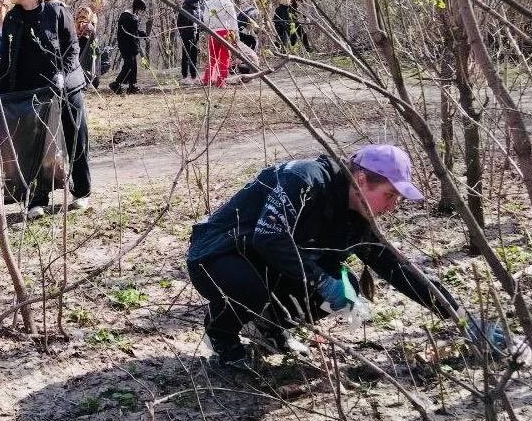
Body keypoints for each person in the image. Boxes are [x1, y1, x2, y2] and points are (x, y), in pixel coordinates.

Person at [187, 144, 515, 365]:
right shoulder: (305, 179)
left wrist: (462, 319)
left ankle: (268, 328)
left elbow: (399, 270)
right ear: (361, 180)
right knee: (255, 286)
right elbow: (269, 237)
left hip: (268, 262)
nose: (392, 206)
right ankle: (222, 335)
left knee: (346, 291)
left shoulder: (359, 218)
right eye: (388, 195)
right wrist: (320, 280)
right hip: (218, 254)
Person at [0, 0, 90, 219]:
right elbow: (6, 61)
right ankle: (37, 199)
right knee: (34, 147)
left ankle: (81, 191)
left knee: (75, 138)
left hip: (66, 88)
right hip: (31, 95)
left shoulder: (57, 11)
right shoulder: (13, 18)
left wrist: (63, 75)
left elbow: (72, 49)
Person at [201, 0, 239, 87]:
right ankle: (221, 81)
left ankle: (207, 79)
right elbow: (233, 20)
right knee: (224, 57)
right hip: (226, 32)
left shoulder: (209, 3)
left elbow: (205, 20)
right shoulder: (228, 3)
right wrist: (235, 33)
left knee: (212, 57)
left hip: (212, 32)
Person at [109, 0, 146, 95]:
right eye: (140, 9)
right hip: (126, 45)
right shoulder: (126, 16)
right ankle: (116, 84)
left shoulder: (133, 16)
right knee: (128, 65)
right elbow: (129, 32)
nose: (140, 12)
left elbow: (135, 31)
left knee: (133, 66)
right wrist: (139, 33)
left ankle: (132, 86)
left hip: (132, 45)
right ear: (136, 7)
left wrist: (143, 34)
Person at [178, 0, 202, 84]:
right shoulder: (184, 9)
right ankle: (184, 75)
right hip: (186, 36)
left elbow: (199, 23)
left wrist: (198, 32)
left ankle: (193, 75)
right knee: (186, 56)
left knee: (194, 56)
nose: (196, 3)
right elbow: (179, 24)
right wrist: (184, 33)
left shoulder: (196, 10)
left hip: (195, 36)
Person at [74, 4, 98, 87]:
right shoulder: (81, 25)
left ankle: (85, 82)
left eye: (83, 16)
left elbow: (93, 36)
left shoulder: (88, 25)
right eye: (80, 16)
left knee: (85, 66)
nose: (81, 18)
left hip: (86, 47)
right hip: (80, 45)